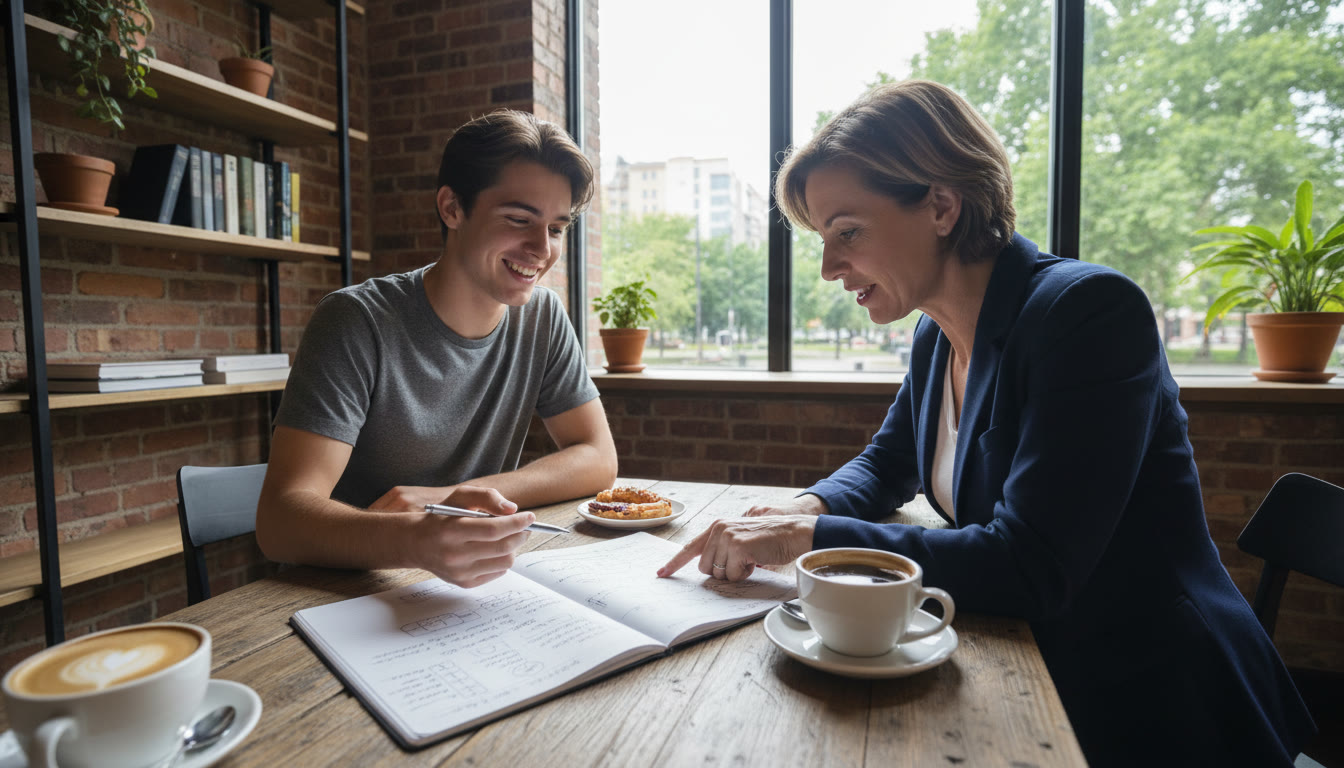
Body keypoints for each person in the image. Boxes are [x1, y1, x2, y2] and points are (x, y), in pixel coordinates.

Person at [658, 81, 1315, 765]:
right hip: (1031, 659)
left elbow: (1030, 566)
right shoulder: (936, 333)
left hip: (1151, 700)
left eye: (847, 232)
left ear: (942, 206)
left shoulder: (1088, 314)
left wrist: (808, 538)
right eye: (823, 238)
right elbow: (887, 463)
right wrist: (804, 506)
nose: (827, 268)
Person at [257, 110, 617, 589]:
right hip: (344, 591)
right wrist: (412, 537)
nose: (541, 249)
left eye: (555, 227)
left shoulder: (542, 317)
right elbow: (280, 522)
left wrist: (450, 497)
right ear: (452, 208)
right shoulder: (355, 320)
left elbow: (597, 456)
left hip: (464, 585)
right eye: (518, 219)